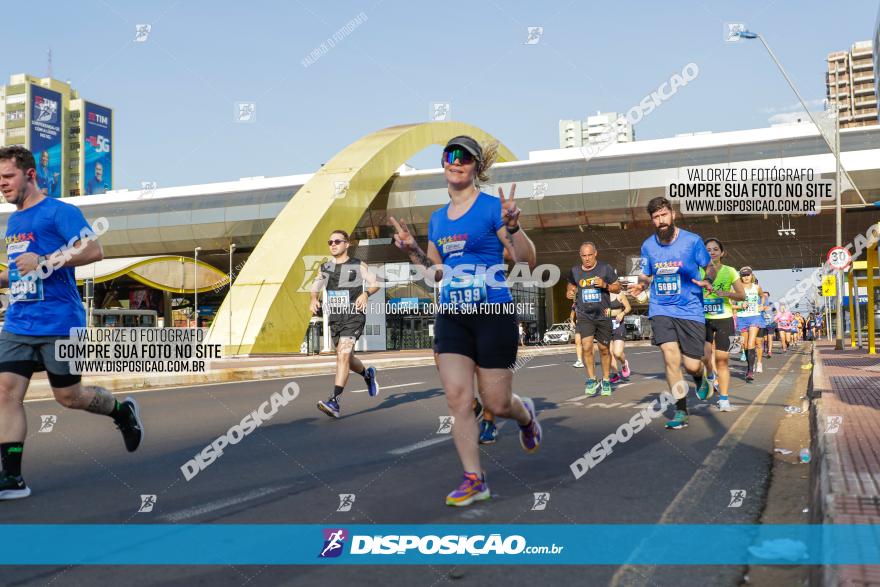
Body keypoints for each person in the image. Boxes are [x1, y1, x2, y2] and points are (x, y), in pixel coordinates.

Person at [390, 135, 540, 506]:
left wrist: (515, 227)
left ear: (476, 167)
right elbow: (434, 274)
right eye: (448, 155)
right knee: (458, 399)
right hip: (454, 316)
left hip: (493, 313)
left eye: (464, 157)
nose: (455, 161)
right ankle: (475, 478)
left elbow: (526, 262)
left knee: (498, 403)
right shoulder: (438, 219)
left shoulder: (493, 209)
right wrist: (412, 251)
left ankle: (525, 418)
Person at [0, 146, 143, 500]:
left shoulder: (60, 212)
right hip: (19, 321)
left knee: (69, 396)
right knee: (5, 393)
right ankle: (12, 478)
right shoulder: (14, 221)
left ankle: (122, 412)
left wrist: (46, 258)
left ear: (30, 174)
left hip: (61, 321)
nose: (1, 185)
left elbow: (93, 251)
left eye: (7, 177)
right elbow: (25, 272)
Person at [627, 197, 714, 430]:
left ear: (672, 215)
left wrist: (707, 279)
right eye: (656, 217)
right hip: (661, 308)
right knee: (669, 356)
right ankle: (681, 409)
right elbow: (645, 274)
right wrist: (641, 285)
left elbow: (710, 266)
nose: (660, 221)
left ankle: (699, 376)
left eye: (664, 215)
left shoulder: (692, 241)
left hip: (690, 309)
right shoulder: (647, 246)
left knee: (692, 364)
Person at [310, 230, 381, 418]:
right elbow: (315, 287)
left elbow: (375, 283)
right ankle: (368, 374)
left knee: (342, 354)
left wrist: (366, 294)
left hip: (354, 316)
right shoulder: (325, 267)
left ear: (346, 244)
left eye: (337, 241)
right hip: (335, 318)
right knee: (347, 359)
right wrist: (313, 299)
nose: (333, 244)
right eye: (330, 241)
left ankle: (334, 401)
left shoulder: (358, 265)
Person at [696, 238, 745, 412]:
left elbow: (742, 296)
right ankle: (709, 374)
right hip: (703, 319)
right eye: (708, 249)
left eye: (716, 249)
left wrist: (723, 293)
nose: (712, 252)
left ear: (722, 252)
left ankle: (724, 399)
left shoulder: (730, 271)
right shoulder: (698, 271)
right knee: (703, 357)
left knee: (722, 360)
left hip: (724, 319)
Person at [567, 242, 621, 397]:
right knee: (586, 347)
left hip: (603, 315)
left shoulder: (605, 268)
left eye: (590, 255)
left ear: (595, 253)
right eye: (584, 256)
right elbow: (570, 285)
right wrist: (570, 292)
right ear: (580, 256)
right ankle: (591, 379)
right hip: (585, 315)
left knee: (604, 349)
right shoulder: (575, 271)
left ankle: (605, 380)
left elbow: (617, 287)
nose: (587, 259)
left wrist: (605, 285)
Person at [732, 267, 765, 382]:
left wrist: (762, 305)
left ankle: (750, 371)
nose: (746, 277)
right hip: (742, 318)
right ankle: (749, 367)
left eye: (748, 275)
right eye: (743, 275)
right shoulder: (736, 289)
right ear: (740, 276)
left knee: (752, 342)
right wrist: (739, 306)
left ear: (752, 275)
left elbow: (762, 296)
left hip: (754, 317)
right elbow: (729, 304)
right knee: (745, 345)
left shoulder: (757, 287)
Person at [608, 291, 632, 384]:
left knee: (617, 353)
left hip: (618, 324)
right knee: (610, 352)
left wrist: (622, 313)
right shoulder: (601, 294)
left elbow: (628, 307)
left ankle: (623, 363)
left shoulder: (619, 294)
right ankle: (615, 374)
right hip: (606, 325)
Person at [761, 292, 776, 359]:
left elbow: (775, 312)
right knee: (764, 338)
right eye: (764, 296)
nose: (765, 297)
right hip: (762, 323)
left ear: (768, 297)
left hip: (770, 323)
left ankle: (769, 351)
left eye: (766, 296)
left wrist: (773, 317)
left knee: (770, 338)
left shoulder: (771, 304)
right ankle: (763, 348)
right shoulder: (760, 304)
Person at [570, 302, 584, 368]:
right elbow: (572, 313)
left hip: (589, 324)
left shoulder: (586, 300)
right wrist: (572, 321)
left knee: (588, 344)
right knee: (577, 342)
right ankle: (579, 361)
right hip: (579, 324)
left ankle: (590, 360)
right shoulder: (575, 303)